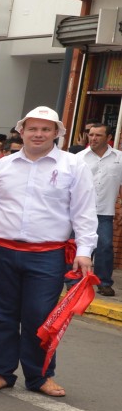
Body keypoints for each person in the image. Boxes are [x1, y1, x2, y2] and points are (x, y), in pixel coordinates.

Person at [0, 106, 98, 398]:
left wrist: (85, 250)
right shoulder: (1, 166)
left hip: (48, 255)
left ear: (56, 134)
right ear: (22, 132)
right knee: (2, 314)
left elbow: (84, 213)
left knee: (40, 316)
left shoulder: (73, 166)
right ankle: (0, 371)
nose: (38, 134)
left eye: (45, 129)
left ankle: (39, 376)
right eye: (32, 129)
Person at [75, 123, 122, 296]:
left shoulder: (119, 158)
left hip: (104, 212)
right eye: (91, 134)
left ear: (109, 138)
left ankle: (103, 282)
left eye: (98, 135)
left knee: (105, 246)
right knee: (76, 246)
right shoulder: (79, 158)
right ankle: (74, 281)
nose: (93, 138)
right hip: (80, 212)